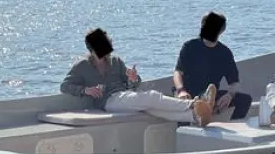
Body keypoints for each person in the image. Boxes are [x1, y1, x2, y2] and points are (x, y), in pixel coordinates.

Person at [60, 28, 217, 126]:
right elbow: (65, 86)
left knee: (151, 108)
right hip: (107, 102)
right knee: (151, 97)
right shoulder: (82, 66)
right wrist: (86, 90)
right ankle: (194, 104)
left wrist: (133, 78)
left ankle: (195, 117)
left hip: (124, 96)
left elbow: (132, 84)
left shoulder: (116, 61)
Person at [172, 11, 253, 120]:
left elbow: (234, 83)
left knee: (245, 100)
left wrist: (229, 95)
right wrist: (181, 90)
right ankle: (201, 108)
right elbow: (178, 72)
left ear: (221, 30)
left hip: (211, 94)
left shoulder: (225, 53)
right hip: (188, 92)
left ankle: (234, 127)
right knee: (184, 104)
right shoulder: (190, 46)